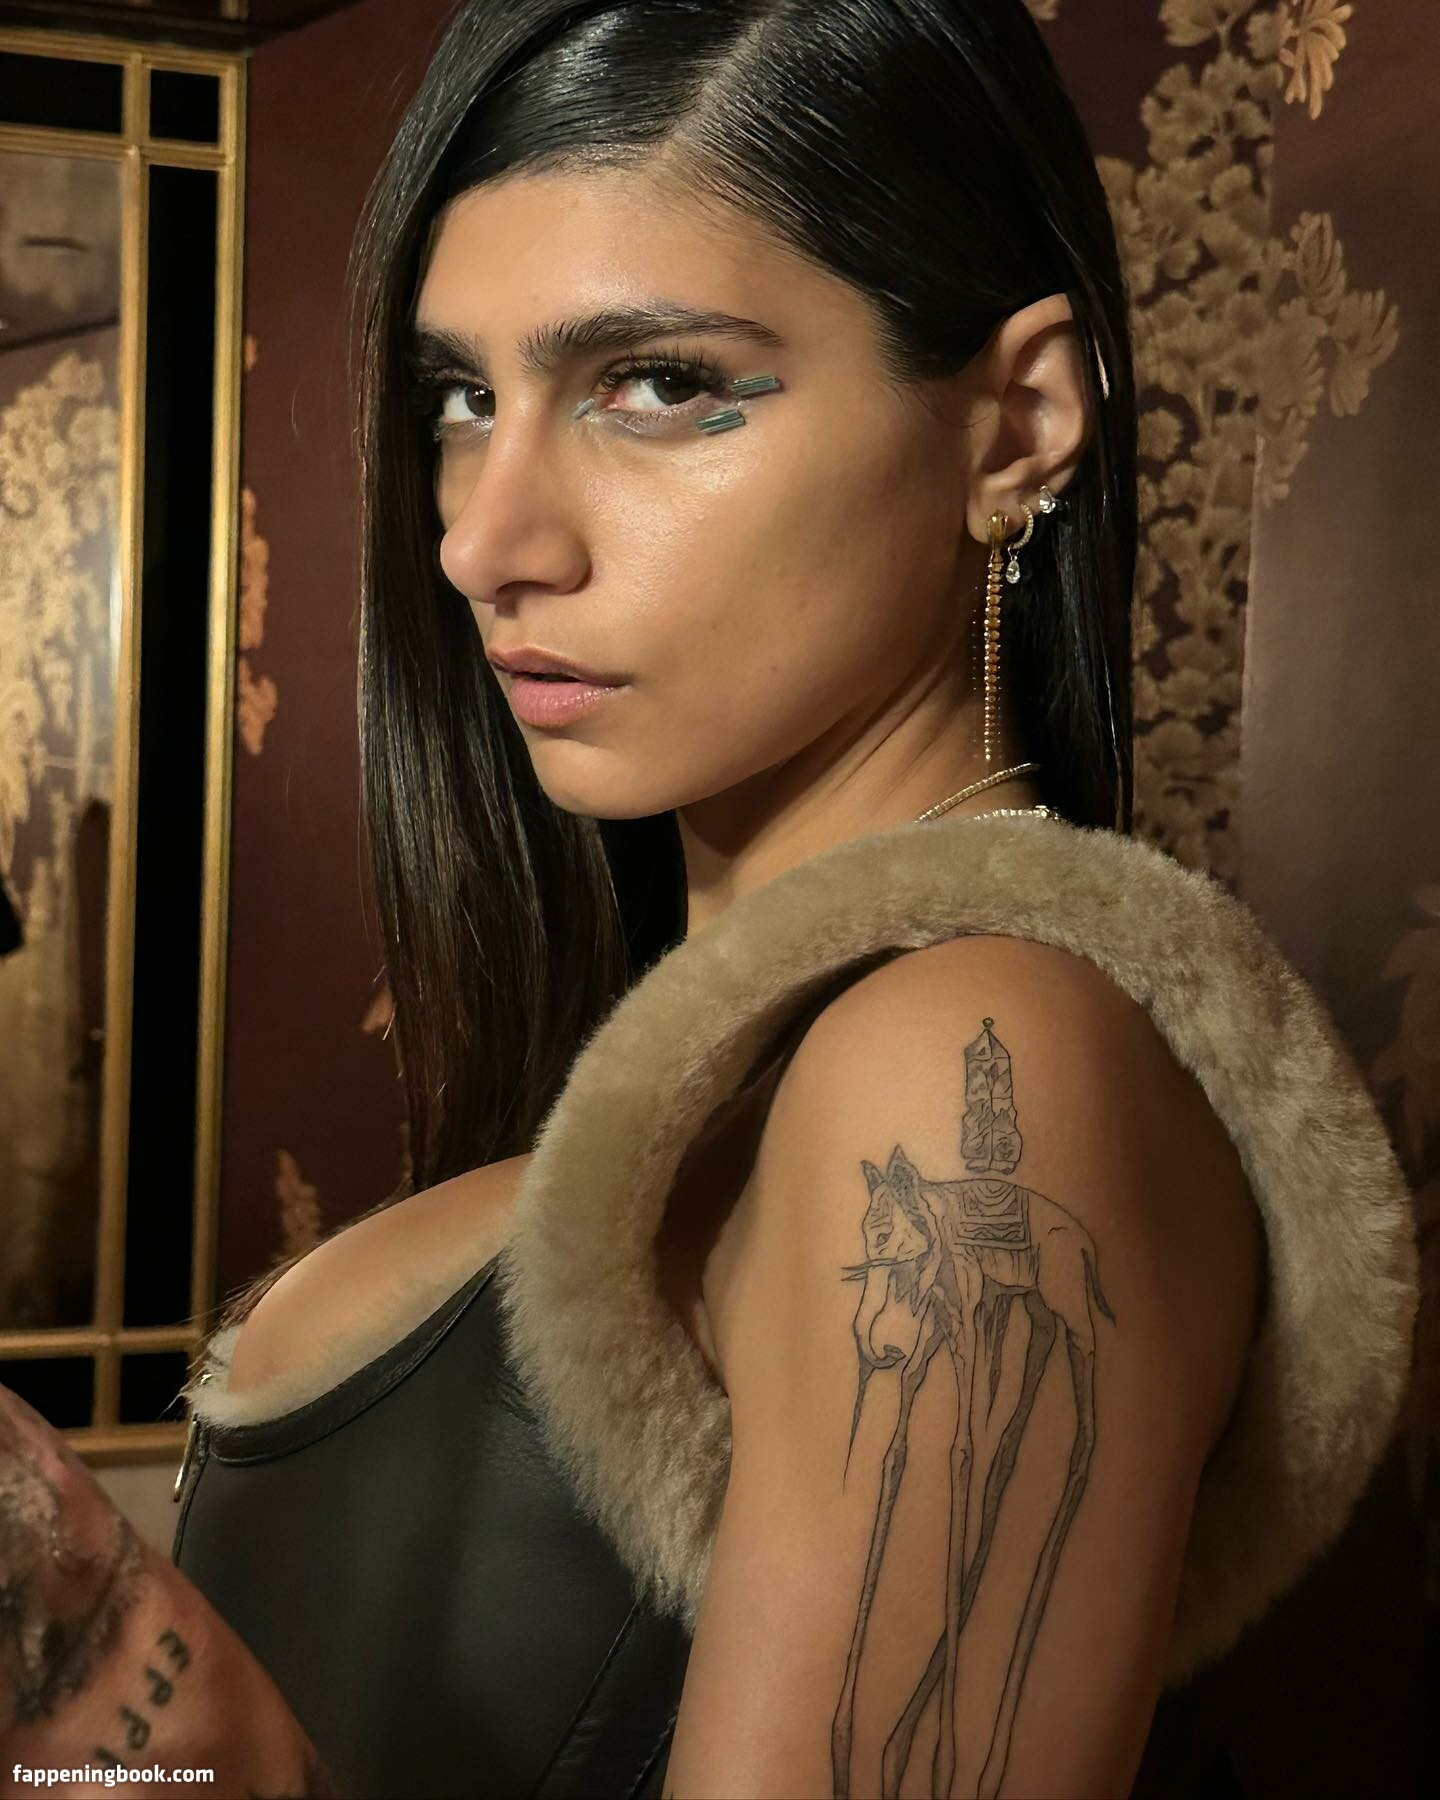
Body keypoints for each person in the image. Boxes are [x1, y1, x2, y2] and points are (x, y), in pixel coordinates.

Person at [11, 3, 1416, 1797]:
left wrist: (196, 1756)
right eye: (465, 399)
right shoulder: (746, 1063)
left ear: (1018, 425)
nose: (482, 539)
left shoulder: (967, 1063)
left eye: (661, 384)